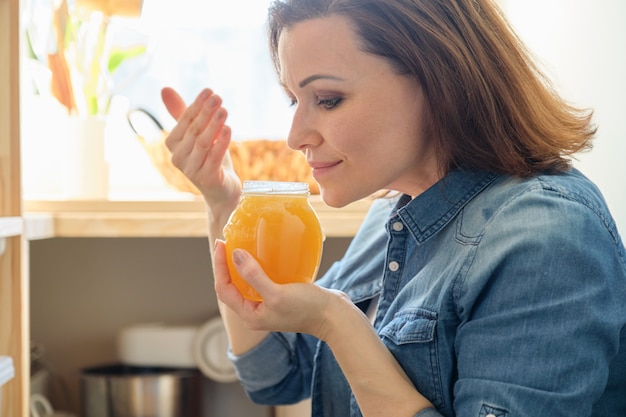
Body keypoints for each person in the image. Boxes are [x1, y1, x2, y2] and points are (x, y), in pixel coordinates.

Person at [160, 0, 626, 416]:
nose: (295, 136)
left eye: (327, 99)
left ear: (439, 77)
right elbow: (274, 374)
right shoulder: (393, 212)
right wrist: (222, 200)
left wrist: (337, 324)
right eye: (293, 100)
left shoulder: (547, 238)